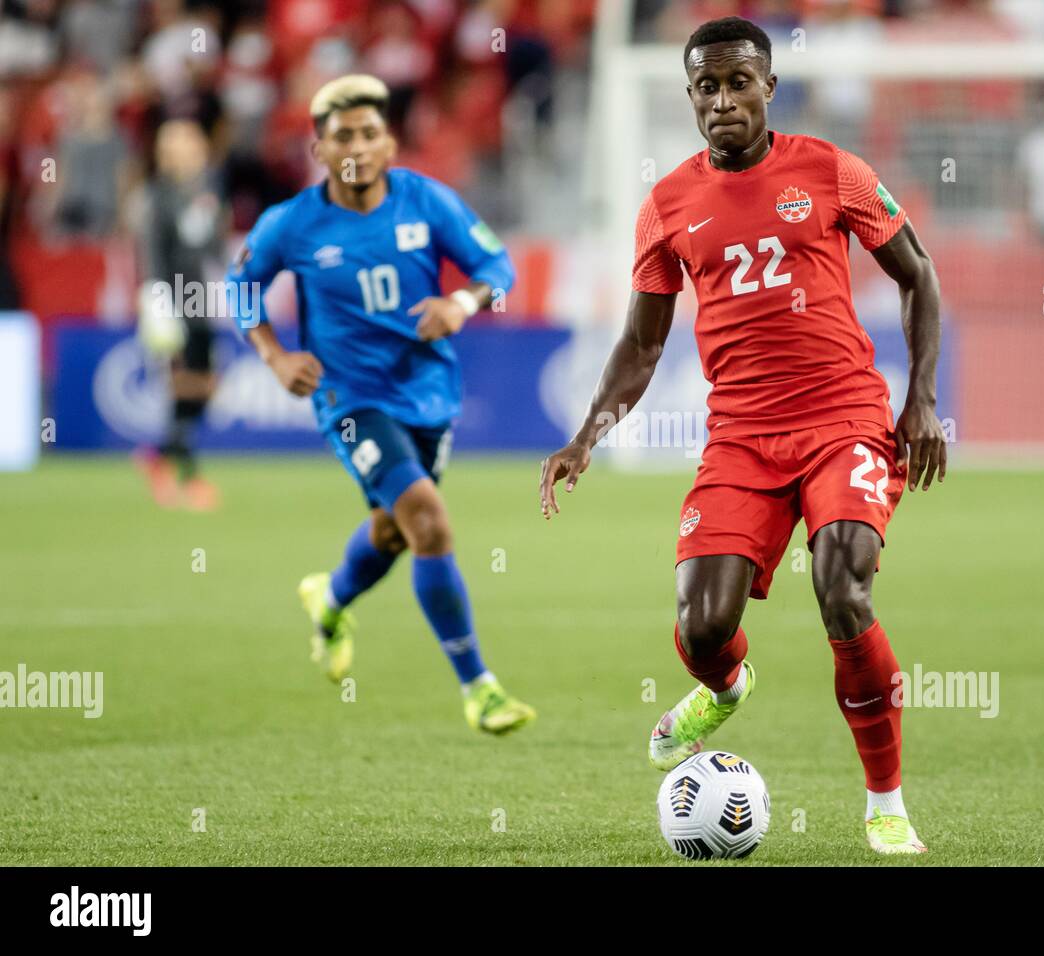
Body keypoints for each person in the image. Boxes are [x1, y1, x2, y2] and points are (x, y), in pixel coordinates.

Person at [539, 17, 945, 854]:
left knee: (844, 584)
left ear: (768, 87)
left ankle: (885, 801)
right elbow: (643, 343)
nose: (722, 100)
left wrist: (921, 401)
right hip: (741, 438)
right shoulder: (667, 205)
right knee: (700, 625)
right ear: (690, 97)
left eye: (738, 83)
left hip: (844, 422)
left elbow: (918, 274)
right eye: (706, 87)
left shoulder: (833, 171)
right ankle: (723, 686)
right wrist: (588, 434)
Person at [226, 75, 535, 735]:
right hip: (348, 398)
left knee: (394, 532)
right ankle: (479, 687)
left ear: (389, 142)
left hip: (427, 394)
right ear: (318, 149)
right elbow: (241, 286)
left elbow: (497, 266)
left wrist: (461, 302)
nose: (357, 147)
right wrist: (275, 356)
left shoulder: (426, 202)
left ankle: (330, 600)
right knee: (428, 521)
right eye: (342, 136)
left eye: (369, 134)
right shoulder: (291, 223)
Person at [134, 119, 226, 511]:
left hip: (202, 299)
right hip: (172, 299)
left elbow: (215, 244)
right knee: (182, 381)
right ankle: (187, 474)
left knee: (205, 385)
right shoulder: (158, 196)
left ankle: (157, 455)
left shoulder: (210, 190)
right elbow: (153, 250)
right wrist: (156, 299)